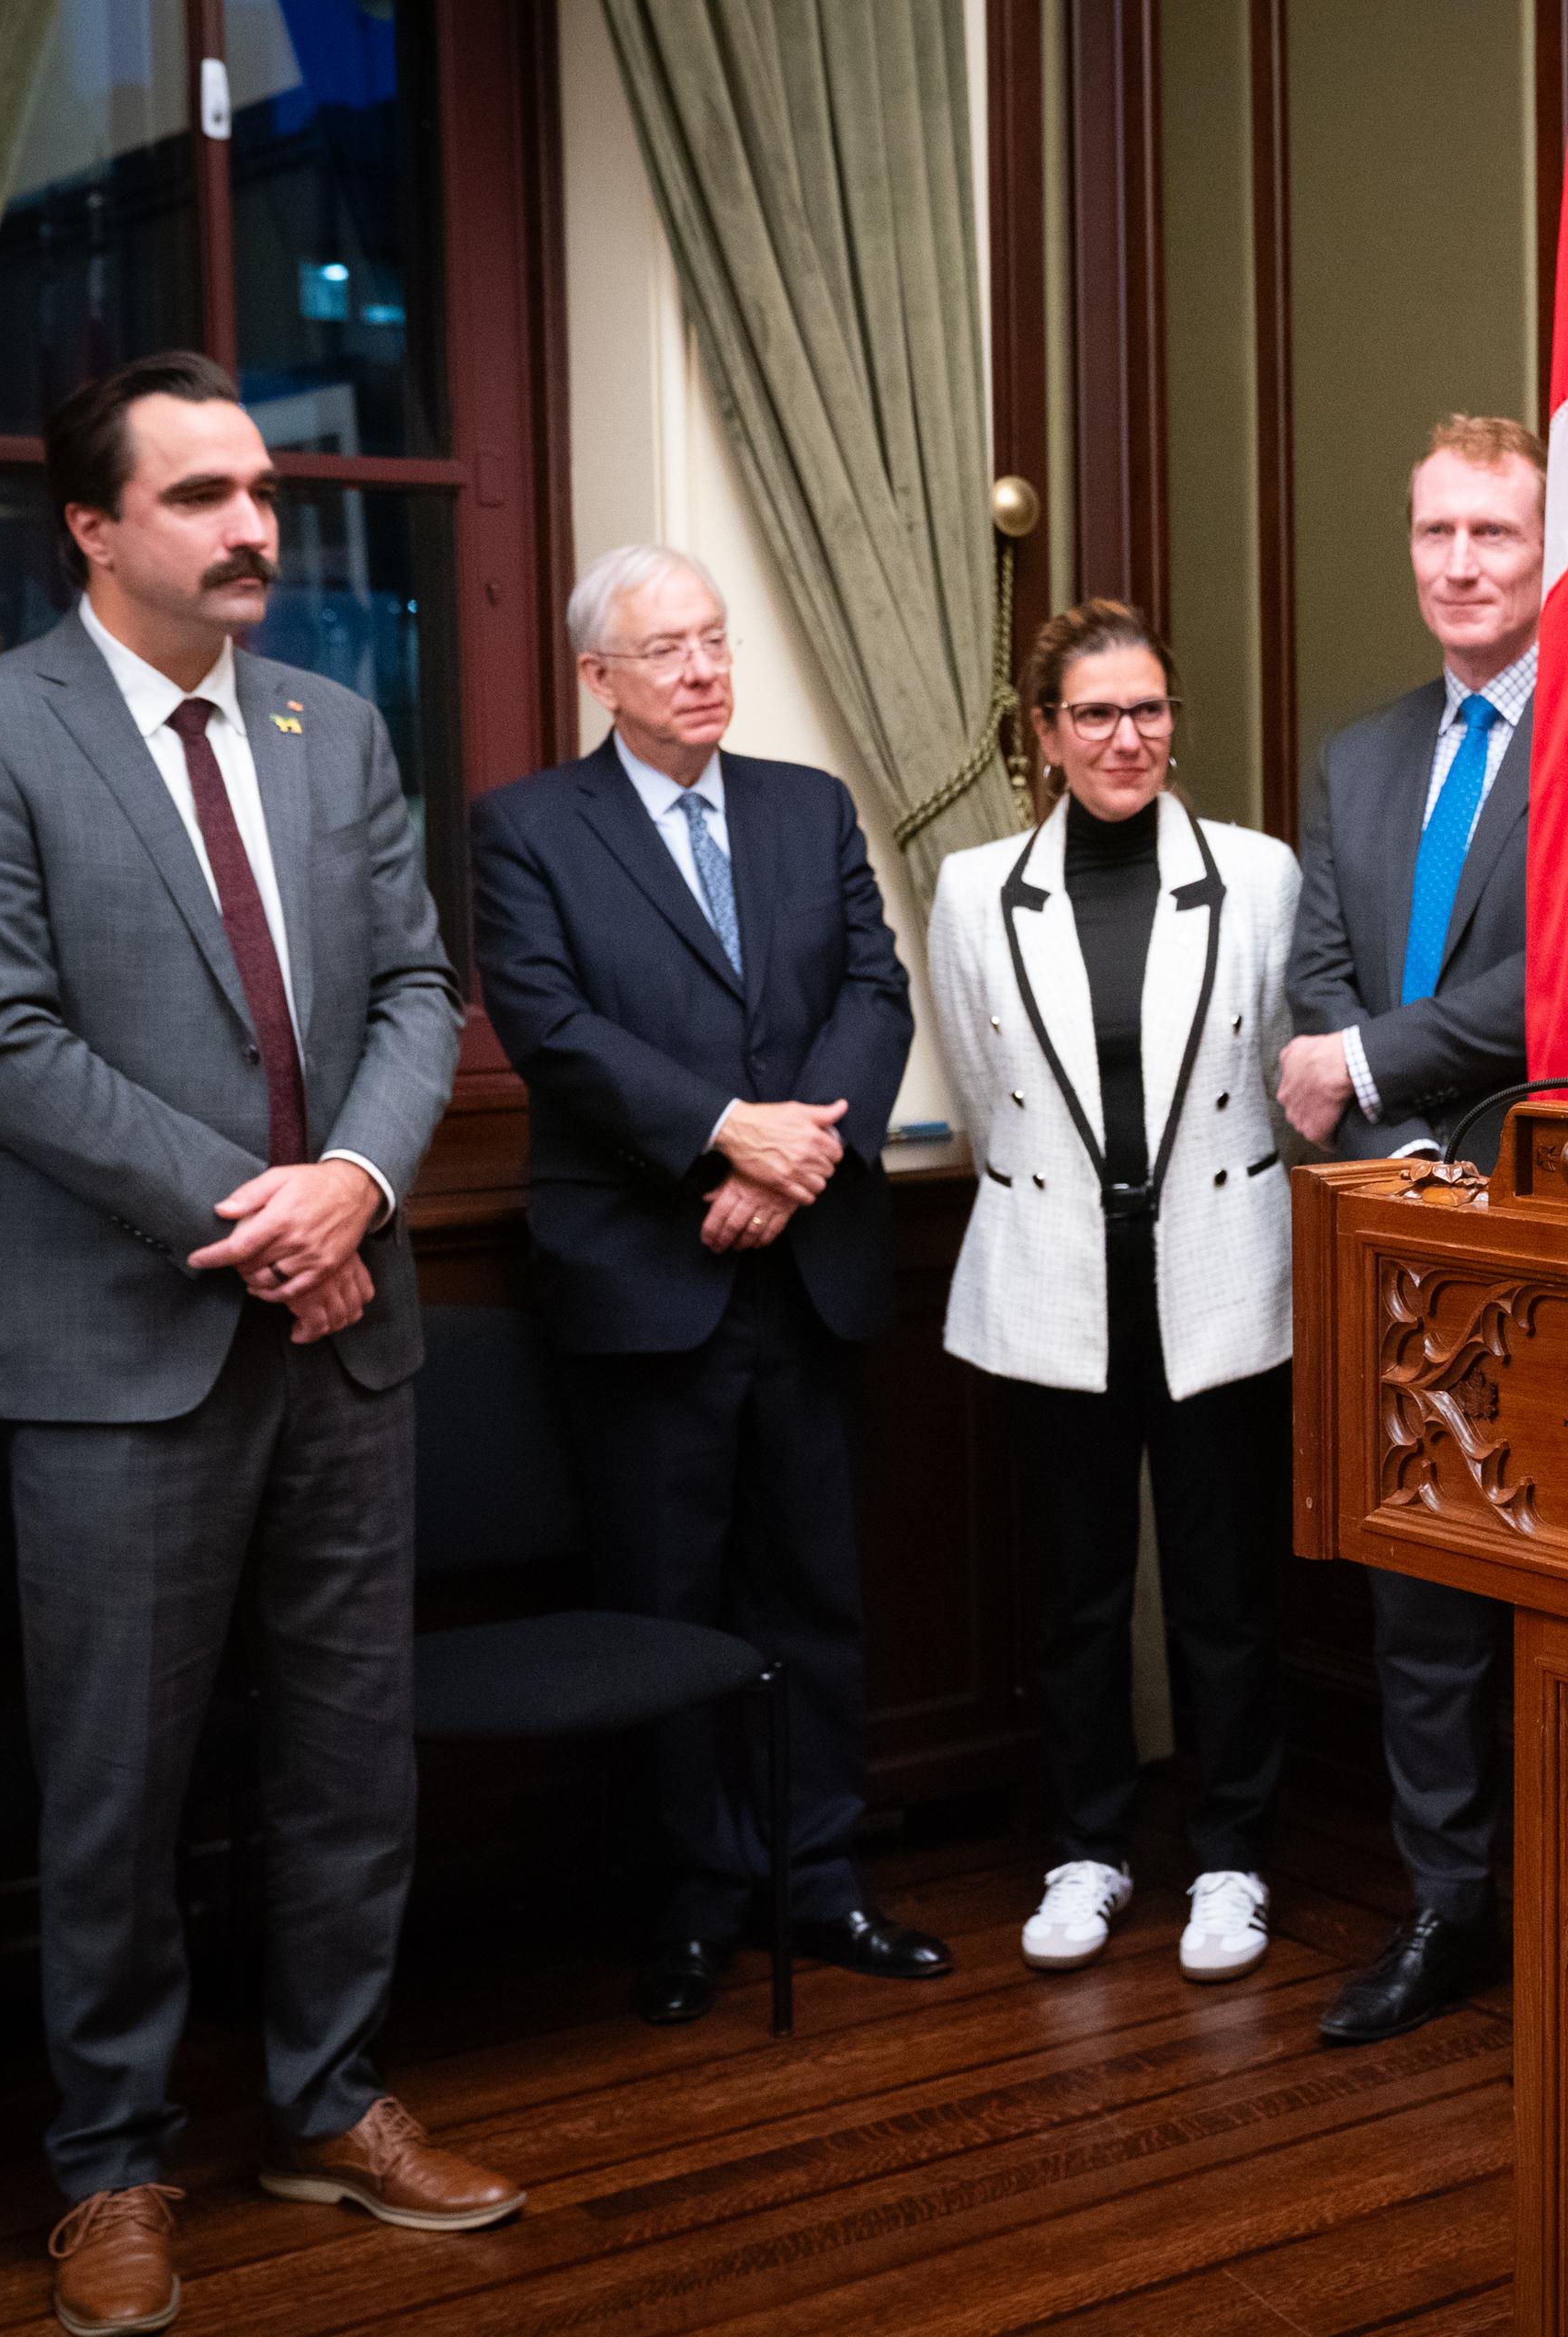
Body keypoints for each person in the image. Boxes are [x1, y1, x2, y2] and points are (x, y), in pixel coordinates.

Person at [0, 351, 510, 2337]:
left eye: (257, 488)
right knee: (117, 1781)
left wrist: (354, 1182)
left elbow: (420, 986)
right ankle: (112, 2164)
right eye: (201, 497)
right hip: (114, 1350)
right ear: (92, 526)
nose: (254, 526)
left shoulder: (337, 726)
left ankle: (328, 2100)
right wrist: (266, 1222)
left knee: (350, 1761)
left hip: (352, 1331)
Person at [471, 545, 948, 2027]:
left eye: (715, 639)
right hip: (644, 1279)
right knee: (666, 1609)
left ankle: (822, 1880)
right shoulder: (529, 827)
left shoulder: (806, 809)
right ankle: (690, 1904)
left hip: (806, 1269)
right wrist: (717, 1139)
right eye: (665, 648)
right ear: (597, 678)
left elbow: (876, 991)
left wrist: (790, 1158)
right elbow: (548, 1023)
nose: (701, 667)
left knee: (815, 1593)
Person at [928, 599, 1302, 1983]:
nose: (1125, 737)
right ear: (1044, 735)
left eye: (1147, 709)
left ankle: (1232, 1857)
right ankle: (1086, 1847)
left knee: (1225, 1593)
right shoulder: (978, 890)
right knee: (1076, 1595)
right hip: (1053, 1276)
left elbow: (1279, 1072)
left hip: (1218, 1272)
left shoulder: (1259, 875)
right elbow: (986, 1093)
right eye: (1094, 714)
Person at [1279, 415, 1544, 2044]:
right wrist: (1392, 1142)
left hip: (1553, 1221)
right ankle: (1448, 1906)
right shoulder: (1357, 755)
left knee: (1553, 1584)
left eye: (1493, 537)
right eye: (1436, 533)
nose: (1458, 565)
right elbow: (1318, 981)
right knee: (1418, 1599)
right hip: (1393, 1233)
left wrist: (1375, 1062)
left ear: (1543, 556)